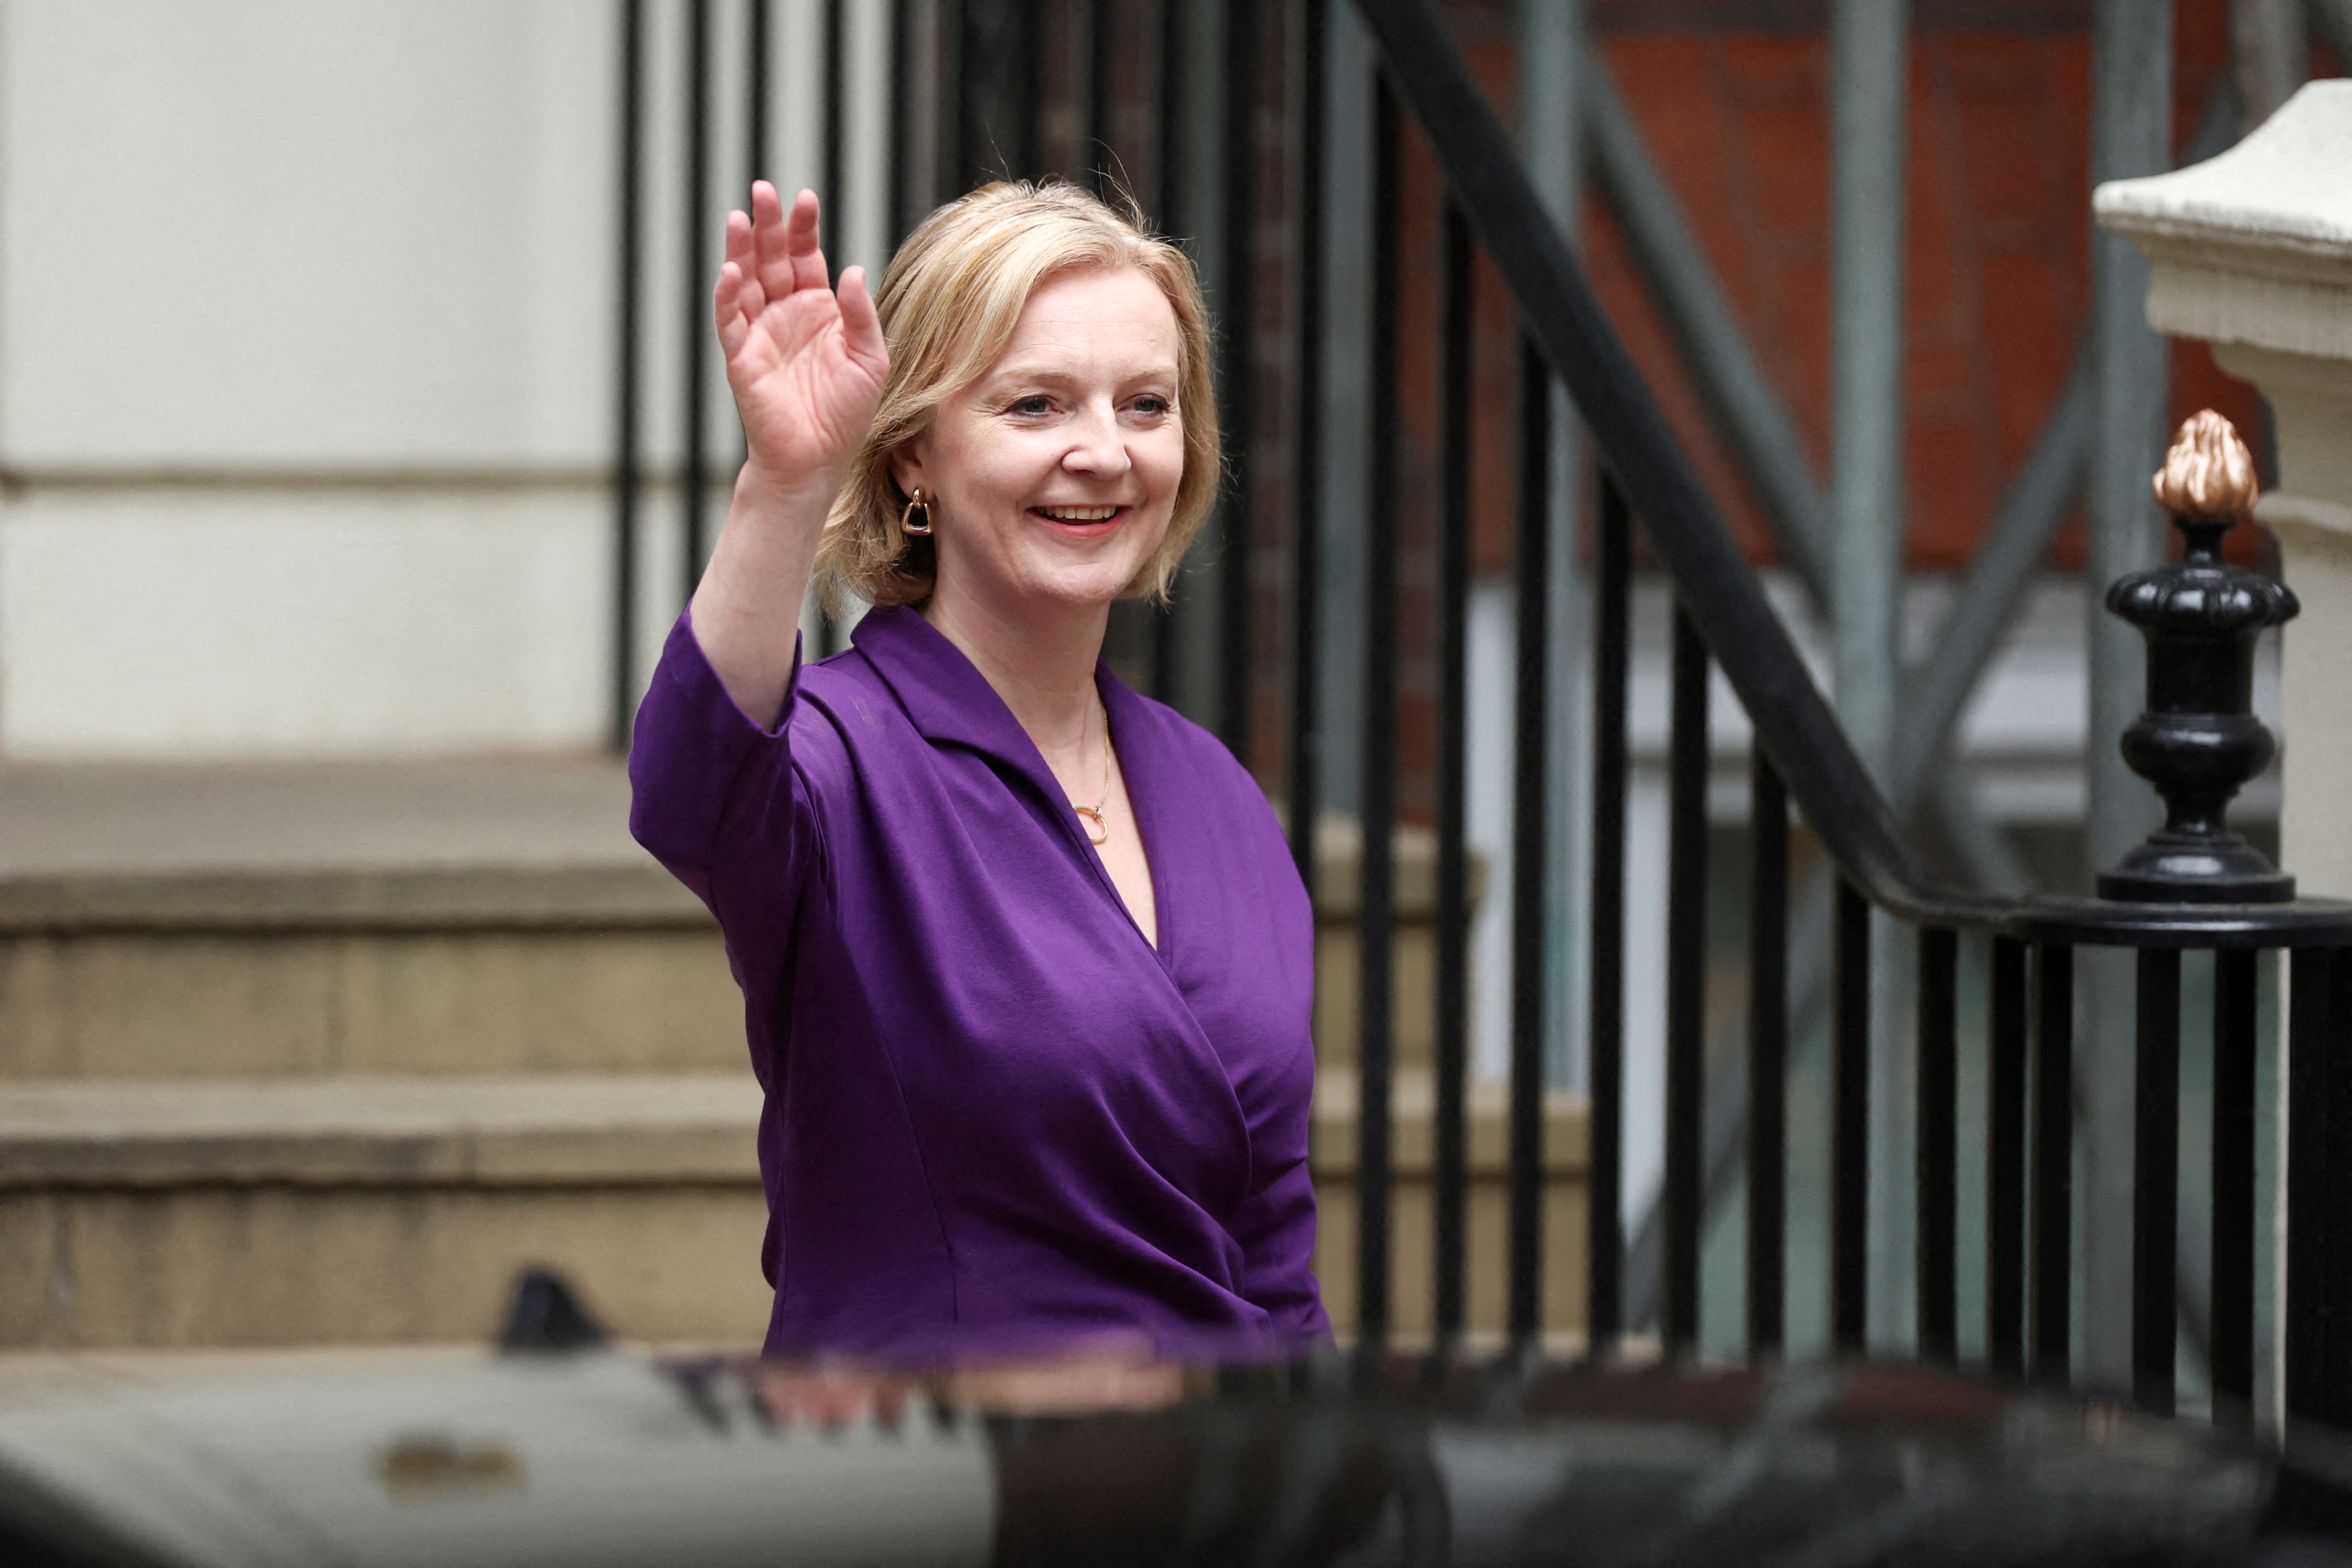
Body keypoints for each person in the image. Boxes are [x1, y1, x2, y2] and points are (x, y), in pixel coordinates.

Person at [629, 178, 1328, 1362]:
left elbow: (1270, 1245)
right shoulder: (841, 758)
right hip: (940, 1458)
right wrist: (786, 486)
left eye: (1146, 404)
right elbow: (691, 786)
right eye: (1035, 404)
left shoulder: (1213, 790)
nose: (1102, 452)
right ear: (916, 454)